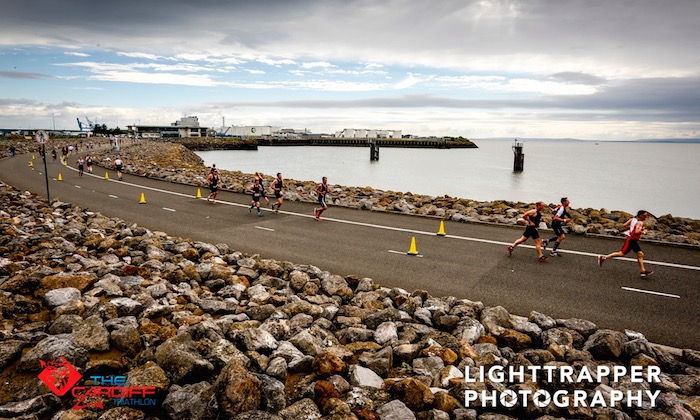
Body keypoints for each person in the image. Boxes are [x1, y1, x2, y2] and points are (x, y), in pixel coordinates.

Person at [598, 210, 654, 277]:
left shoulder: (633, 219)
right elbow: (636, 231)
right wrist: (644, 232)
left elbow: (625, 225)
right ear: (640, 216)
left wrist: (631, 228)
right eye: (645, 216)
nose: (646, 217)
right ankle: (603, 257)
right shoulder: (640, 223)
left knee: (640, 255)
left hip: (632, 240)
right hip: (632, 240)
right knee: (621, 253)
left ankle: (643, 271)